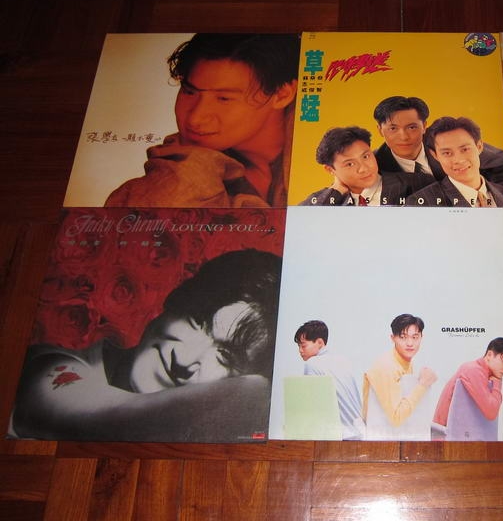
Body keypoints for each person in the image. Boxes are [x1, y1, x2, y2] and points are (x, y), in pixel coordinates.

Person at [11, 249, 282, 442]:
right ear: (173, 302)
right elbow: (101, 421)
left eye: (225, 356)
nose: (183, 360)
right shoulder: (48, 365)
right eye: (196, 321)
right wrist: (259, 390)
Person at [105, 34, 299, 208]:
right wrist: (191, 165)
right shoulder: (176, 168)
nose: (195, 118)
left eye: (224, 98)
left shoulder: (311, 149)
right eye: (189, 92)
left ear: (282, 95)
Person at [372, 96, 503, 186]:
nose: (404, 137)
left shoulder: (442, 139)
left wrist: (487, 198)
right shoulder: (373, 164)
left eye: (412, 127)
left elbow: (501, 161)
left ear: (424, 126)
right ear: (380, 130)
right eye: (393, 128)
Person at [299, 126, 433, 205]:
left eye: (366, 156)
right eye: (350, 164)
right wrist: (336, 190)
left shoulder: (418, 183)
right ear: (330, 169)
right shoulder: (325, 199)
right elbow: (301, 224)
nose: (364, 168)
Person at [406, 117, 503, 207]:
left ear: (479, 146)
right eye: (447, 153)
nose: (458, 160)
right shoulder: (420, 203)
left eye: (465, 149)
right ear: (435, 155)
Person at [363, 314, 437, 429]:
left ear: (421, 337)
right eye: (403, 337)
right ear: (393, 338)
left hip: (392, 431)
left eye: (415, 337)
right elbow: (396, 417)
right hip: (377, 434)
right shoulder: (386, 367)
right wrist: (423, 385)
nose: (410, 343)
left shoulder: (406, 362)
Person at [294, 320, 365, 439]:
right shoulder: (342, 361)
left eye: (303, 345)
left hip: (341, 437)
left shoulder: (312, 364)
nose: (300, 350)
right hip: (361, 433)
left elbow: (310, 407)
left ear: (320, 343)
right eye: (299, 346)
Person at [433, 337, 503, 429]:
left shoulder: (483, 373)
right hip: (444, 434)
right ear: (489, 355)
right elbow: (491, 412)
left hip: (455, 432)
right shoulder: (474, 370)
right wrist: (498, 382)